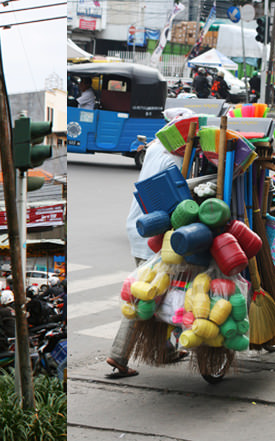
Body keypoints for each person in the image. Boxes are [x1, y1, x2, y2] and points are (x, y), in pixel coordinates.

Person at [107, 128, 190, 379]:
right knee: (145, 296)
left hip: (139, 226)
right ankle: (119, 355)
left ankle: (165, 349)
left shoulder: (155, 148)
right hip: (153, 233)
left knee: (164, 291)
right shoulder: (176, 159)